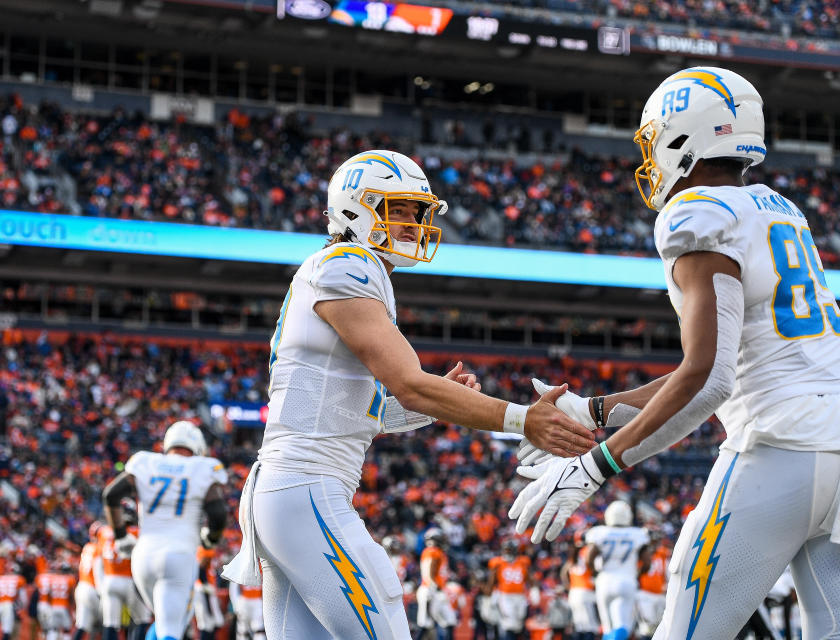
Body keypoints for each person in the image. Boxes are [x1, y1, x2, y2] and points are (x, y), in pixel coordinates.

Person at [509, 66, 840, 638]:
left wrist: (597, 464)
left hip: (780, 447)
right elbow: (729, 369)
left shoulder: (696, 215)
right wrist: (596, 410)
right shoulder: (779, 208)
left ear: (682, 137)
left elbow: (710, 378)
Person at [221, 149, 593, 640]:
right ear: (356, 208)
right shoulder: (348, 263)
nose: (414, 224)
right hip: (306, 489)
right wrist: (524, 418)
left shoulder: (345, 270)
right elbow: (412, 385)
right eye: (400, 209)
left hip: (291, 489)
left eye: (418, 212)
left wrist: (433, 405)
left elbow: (362, 410)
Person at [102, 420, 228, 640]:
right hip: (178, 556)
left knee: (165, 625)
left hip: (142, 556)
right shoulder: (204, 467)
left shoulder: (145, 461)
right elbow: (217, 514)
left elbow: (111, 495)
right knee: (171, 630)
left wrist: (121, 536)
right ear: (197, 448)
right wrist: (210, 539)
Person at [584, 501, 650, 640]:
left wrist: (596, 573)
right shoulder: (637, 533)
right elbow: (647, 562)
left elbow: (589, 558)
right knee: (623, 626)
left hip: (605, 581)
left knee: (608, 626)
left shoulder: (599, 532)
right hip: (627, 580)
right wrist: (637, 575)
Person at [97, 521, 151, 640]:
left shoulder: (104, 532)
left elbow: (98, 561)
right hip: (129, 580)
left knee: (110, 622)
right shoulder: (136, 532)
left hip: (109, 579)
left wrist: (100, 587)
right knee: (142, 618)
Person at [487, 539, 531, 640]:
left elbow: (528, 578)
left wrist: (534, 589)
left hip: (520, 596)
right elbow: (492, 580)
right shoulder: (497, 562)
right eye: (506, 550)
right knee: (509, 624)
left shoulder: (523, 562)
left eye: (510, 550)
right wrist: (490, 593)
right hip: (505, 596)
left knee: (519, 622)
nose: (508, 552)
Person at [416, 528, 456, 639]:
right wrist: (435, 588)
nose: (443, 541)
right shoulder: (432, 551)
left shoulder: (439, 553)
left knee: (449, 619)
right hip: (431, 590)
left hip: (437, 589)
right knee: (425, 623)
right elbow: (429, 573)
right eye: (440, 539)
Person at [561, 531, 599, 640]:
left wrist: (569, 587)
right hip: (586, 592)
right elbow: (593, 566)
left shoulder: (574, 552)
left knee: (580, 627)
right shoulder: (587, 551)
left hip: (574, 593)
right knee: (590, 627)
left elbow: (564, 572)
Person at [73, 524, 102, 640]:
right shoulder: (99, 549)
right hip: (93, 589)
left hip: (81, 587)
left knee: (82, 625)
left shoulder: (87, 547)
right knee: (107, 623)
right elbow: (98, 573)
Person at [193, 547, 224, 640]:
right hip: (203, 592)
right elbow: (201, 568)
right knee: (206, 624)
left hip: (208, 592)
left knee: (216, 622)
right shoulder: (204, 552)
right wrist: (206, 586)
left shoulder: (211, 556)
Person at [0, 566, 26, 640]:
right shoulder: (19, 579)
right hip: (9, 605)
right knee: (7, 631)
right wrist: (22, 607)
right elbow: (23, 598)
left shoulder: (1, 578)